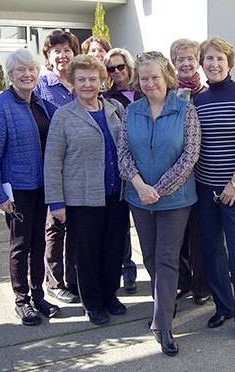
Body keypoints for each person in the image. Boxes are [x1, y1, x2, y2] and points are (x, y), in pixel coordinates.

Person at [117, 51, 200, 356]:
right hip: (139, 198)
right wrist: (140, 186)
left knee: (166, 257)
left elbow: (190, 156)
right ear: (137, 81)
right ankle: (165, 302)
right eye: (144, 78)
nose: (150, 82)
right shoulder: (132, 111)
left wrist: (159, 189)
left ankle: (162, 323)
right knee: (150, 256)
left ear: (167, 76)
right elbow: (122, 153)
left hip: (175, 200)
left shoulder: (185, 110)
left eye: (155, 76)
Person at [44, 54, 129, 326]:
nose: (87, 84)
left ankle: (110, 296)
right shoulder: (64, 116)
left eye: (93, 79)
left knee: (114, 248)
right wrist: (56, 202)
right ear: (72, 83)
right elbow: (52, 161)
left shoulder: (116, 109)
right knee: (88, 253)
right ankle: (92, 303)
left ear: (102, 80)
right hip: (82, 198)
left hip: (116, 194)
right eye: (81, 79)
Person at [0, 48, 59, 326]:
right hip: (17, 190)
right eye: (20, 70)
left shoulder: (40, 103)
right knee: (20, 244)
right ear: (10, 75)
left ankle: (38, 295)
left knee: (39, 242)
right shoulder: (0, 106)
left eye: (31, 69)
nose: (27, 74)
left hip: (41, 187)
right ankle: (22, 300)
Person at [193, 37, 235, 344]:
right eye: (208, 59)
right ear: (201, 63)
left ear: (229, 64)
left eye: (220, 59)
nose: (214, 64)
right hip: (205, 188)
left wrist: (233, 182)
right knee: (212, 249)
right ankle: (224, 306)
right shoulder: (199, 101)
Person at [38, 30, 81, 305]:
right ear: (48, 56)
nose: (63, 55)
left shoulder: (82, 83)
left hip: (80, 168)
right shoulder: (41, 86)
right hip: (54, 166)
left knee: (77, 226)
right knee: (55, 226)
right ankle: (54, 282)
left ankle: (75, 279)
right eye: (57, 51)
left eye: (67, 50)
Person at [169, 38, 211, 305]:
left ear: (198, 61)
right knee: (177, 234)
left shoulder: (207, 92)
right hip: (175, 174)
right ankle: (181, 281)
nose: (185, 63)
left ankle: (202, 286)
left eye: (190, 58)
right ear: (174, 64)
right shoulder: (169, 94)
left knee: (200, 234)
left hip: (204, 173)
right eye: (179, 59)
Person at [103, 47, 142, 294]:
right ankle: (126, 271)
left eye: (121, 66)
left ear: (129, 66)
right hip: (122, 167)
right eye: (111, 69)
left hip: (149, 166)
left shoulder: (144, 89)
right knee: (121, 226)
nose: (117, 72)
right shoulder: (106, 97)